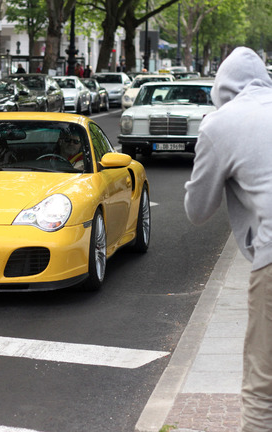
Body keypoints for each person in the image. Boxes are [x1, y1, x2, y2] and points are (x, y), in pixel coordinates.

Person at [184, 46, 272, 432]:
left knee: (262, 391)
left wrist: (208, 138)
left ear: (221, 88)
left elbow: (197, 210)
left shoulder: (220, 124)